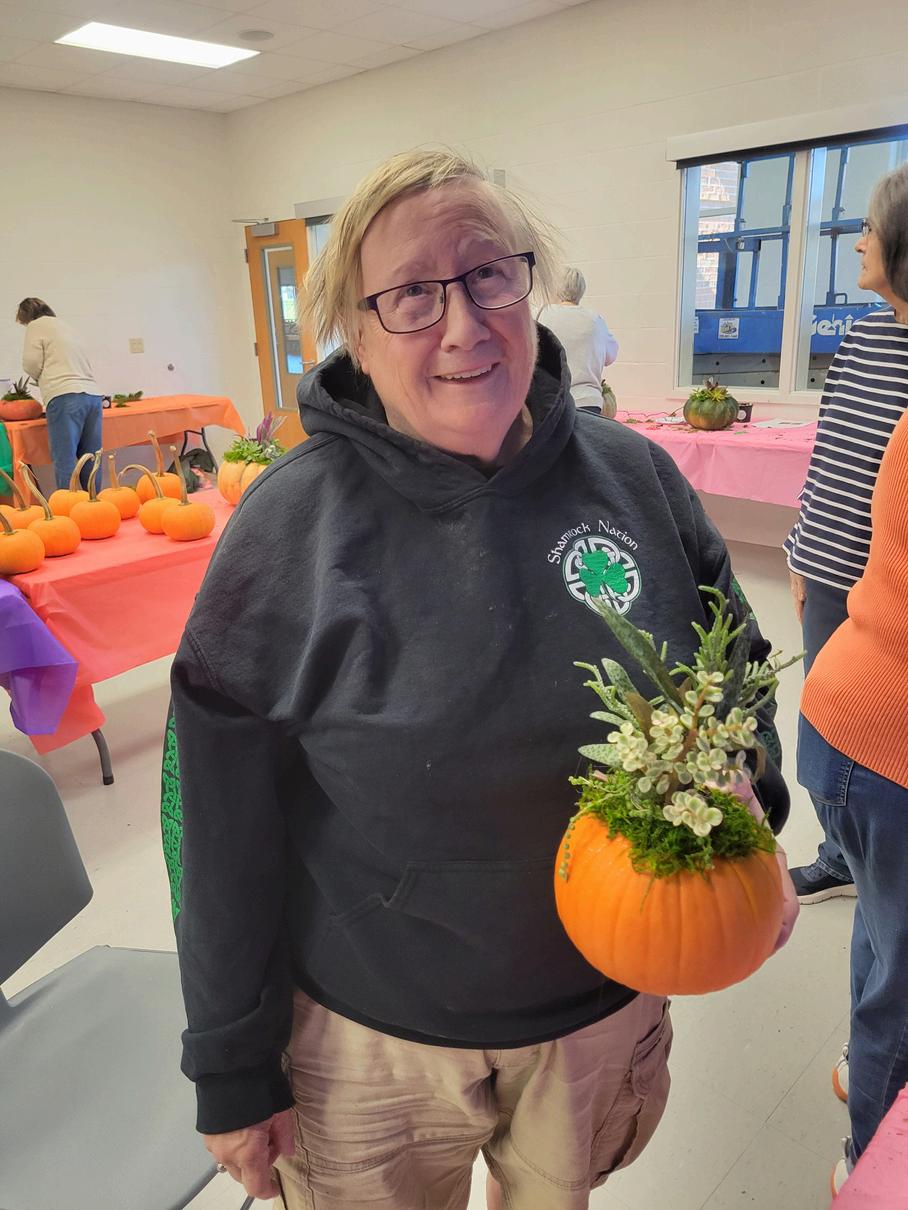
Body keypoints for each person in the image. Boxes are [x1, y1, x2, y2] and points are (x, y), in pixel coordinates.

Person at [163, 149, 796, 1210]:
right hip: (373, 1034)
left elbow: (734, 676)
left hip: (599, 1009)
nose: (462, 325)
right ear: (354, 329)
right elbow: (214, 823)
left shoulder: (634, 477)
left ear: (527, 283)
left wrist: (750, 814)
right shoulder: (285, 531)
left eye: (489, 275)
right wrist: (230, 1063)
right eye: (411, 294)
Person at [784, 162, 908, 905]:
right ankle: (840, 854)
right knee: (827, 740)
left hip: (885, 597)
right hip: (826, 571)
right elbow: (828, 453)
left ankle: (876, 864)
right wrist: (800, 551)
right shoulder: (861, 340)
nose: (857, 242)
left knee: (877, 748)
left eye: (869, 228)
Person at [798, 397, 908, 1194]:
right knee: (902, 992)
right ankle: (870, 1167)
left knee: (883, 935)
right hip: (887, 741)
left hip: (854, 714)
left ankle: (861, 1070)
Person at [16, 297, 102, 490]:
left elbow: (31, 363)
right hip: (92, 395)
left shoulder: (36, 326)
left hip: (64, 395)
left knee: (65, 457)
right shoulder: (66, 326)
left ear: (26, 316)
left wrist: (39, 377)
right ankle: (96, 501)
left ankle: (68, 504)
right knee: (91, 457)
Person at [537, 268, 619, 415]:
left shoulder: (542, 314)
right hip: (588, 402)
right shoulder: (595, 320)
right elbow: (611, 356)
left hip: (552, 402)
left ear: (555, 288)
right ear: (581, 290)